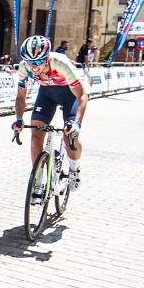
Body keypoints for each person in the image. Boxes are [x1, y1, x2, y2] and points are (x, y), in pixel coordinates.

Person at [11, 35, 88, 192]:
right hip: (46, 94)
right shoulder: (23, 68)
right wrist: (19, 119)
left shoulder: (59, 63)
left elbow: (82, 95)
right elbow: (20, 96)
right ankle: (37, 182)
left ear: (46, 58)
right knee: (35, 136)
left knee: (70, 137)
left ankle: (74, 168)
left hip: (69, 94)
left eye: (38, 61)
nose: (33, 66)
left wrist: (77, 124)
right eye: (29, 62)